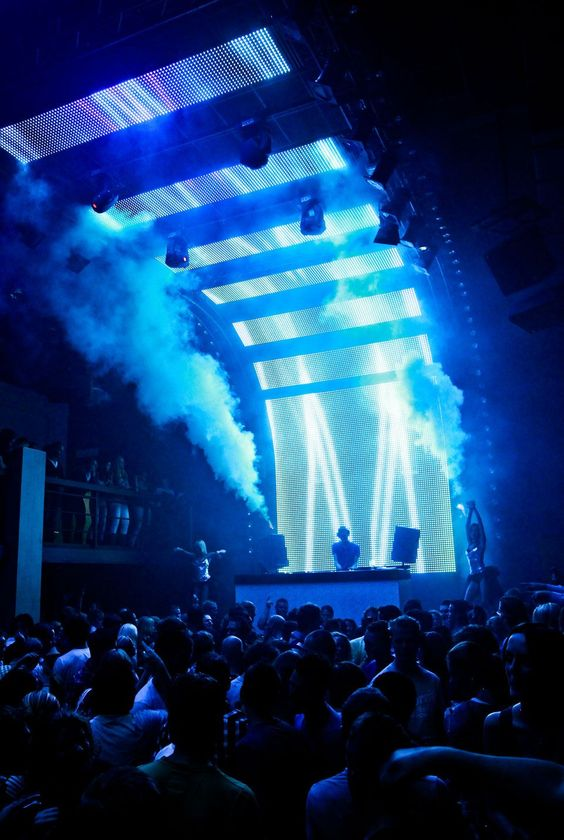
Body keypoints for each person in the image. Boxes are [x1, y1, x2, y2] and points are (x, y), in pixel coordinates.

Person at [174, 538, 226, 607]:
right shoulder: (193, 556)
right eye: (196, 548)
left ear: (202, 548)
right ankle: (195, 613)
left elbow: (223, 552)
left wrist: (219, 552)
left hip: (205, 582)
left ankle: (203, 614)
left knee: (203, 601)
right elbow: (184, 552)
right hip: (196, 582)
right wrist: (179, 550)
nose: (197, 549)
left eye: (198, 547)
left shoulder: (208, 556)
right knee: (195, 599)